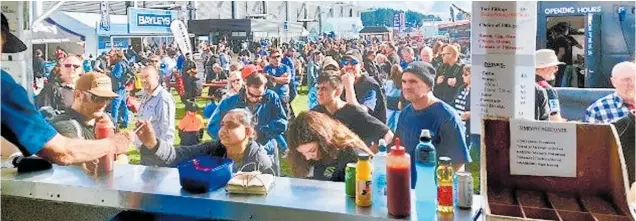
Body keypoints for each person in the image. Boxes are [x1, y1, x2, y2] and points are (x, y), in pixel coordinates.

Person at [1, 12, 133, 166]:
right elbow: (61, 151)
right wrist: (113, 144)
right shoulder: (5, 88)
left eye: (107, 99)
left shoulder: (107, 120)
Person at [396, 61, 471, 188]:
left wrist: (439, 190)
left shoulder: (447, 116)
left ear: (429, 85)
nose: (407, 86)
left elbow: (458, 163)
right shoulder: (405, 114)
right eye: (404, 81)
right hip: (407, 189)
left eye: (413, 81)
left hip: (432, 194)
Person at [137, 108, 277, 173]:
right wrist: (153, 144)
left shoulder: (260, 162)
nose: (222, 131)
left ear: (248, 132)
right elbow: (179, 155)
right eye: (222, 125)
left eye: (231, 126)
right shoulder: (213, 149)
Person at [50, 72, 129, 165]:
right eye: (97, 98)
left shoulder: (108, 121)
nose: (103, 104)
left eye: (107, 99)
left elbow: (121, 154)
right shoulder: (63, 124)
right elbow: (74, 155)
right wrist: (111, 145)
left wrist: (120, 161)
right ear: (78, 95)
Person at [207, 72, 288, 155]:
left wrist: (262, 131)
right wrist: (234, 137)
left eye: (259, 96)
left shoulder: (272, 97)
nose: (254, 99)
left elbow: (282, 122)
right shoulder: (229, 103)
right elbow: (212, 127)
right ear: (246, 86)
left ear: (265, 88)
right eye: (251, 95)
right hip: (238, 152)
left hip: (266, 150)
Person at [311, 70, 393, 148]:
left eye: (324, 89)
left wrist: (371, 156)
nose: (319, 93)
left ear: (338, 91)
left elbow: (388, 134)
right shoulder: (315, 114)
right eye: (318, 88)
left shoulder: (353, 113)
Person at [287, 111, 374, 182]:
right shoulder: (303, 158)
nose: (307, 157)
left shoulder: (351, 154)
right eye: (302, 153)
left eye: (312, 150)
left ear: (323, 142)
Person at [340, 49, 387, 123]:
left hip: (369, 131)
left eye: (353, 63)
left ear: (361, 65)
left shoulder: (370, 84)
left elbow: (357, 113)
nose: (349, 66)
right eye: (345, 63)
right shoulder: (341, 82)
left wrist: (348, 86)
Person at [137, 66, 176, 152]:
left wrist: (164, 154)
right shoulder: (145, 95)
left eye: (147, 77)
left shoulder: (163, 98)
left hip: (157, 151)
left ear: (157, 78)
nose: (143, 80)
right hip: (146, 149)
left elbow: (167, 130)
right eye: (141, 78)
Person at [535, 49, 566, 122]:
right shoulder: (548, 90)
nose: (556, 70)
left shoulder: (523, 84)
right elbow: (555, 120)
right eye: (555, 67)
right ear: (546, 68)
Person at [263, 48, 293, 118]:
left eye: (278, 56)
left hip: (283, 96)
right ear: (270, 59)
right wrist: (280, 78)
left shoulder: (285, 67)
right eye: (274, 57)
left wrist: (271, 77)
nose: (277, 59)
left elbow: (286, 80)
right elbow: (265, 82)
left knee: (285, 118)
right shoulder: (266, 68)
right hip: (270, 98)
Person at [109, 51, 131, 129]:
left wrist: (109, 73)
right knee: (123, 106)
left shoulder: (118, 64)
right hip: (123, 87)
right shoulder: (125, 63)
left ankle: (113, 123)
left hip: (117, 88)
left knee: (115, 107)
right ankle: (125, 121)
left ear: (117, 57)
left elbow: (116, 76)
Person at [453, 65, 472, 142]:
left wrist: (471, 114)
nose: (463, 76)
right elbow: (453, 104)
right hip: (458, 127)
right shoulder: (461, 88)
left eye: (466, 74)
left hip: (470, 130)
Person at [384, 64, 406, 132]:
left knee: (389, 120)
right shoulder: (402, 82)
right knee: (398, 120)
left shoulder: (388, 82)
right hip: (399, 101)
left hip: (390, 101)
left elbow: (385, 91)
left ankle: (389, 135)